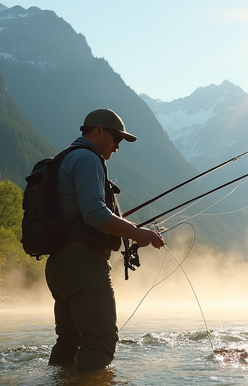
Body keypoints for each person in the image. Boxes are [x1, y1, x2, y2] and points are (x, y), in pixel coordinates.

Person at [45, 108, 165, 372]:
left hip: (59, 266)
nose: (118, 147)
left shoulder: (63, 159)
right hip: (82, 266)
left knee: (69, 342)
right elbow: (94, 214)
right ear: (99, 131)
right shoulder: (88, 159)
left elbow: (81, 213)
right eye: (117, 139)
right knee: (101, 341)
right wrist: (137, 233)